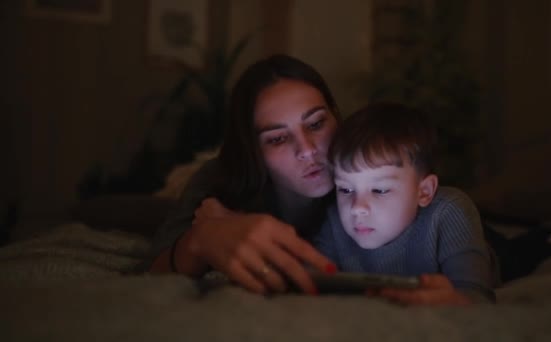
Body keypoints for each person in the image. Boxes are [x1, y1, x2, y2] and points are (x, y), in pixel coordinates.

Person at [148, 54, 340, 295]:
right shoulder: (218, 179)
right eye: (278, 139)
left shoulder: (372, 162)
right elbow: (154, 269)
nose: (307, 150)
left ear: (336, 115)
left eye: (316, 124)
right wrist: (201, 239)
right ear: (253, 150)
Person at [314, 102, 495, 304]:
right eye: (346, 190)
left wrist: (456, 300)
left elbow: (478, 298)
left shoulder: (449, 211)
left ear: (424, 191)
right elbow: (311, 285)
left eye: (379, 190)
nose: (357, 208)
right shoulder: (334, 222)